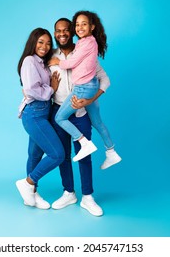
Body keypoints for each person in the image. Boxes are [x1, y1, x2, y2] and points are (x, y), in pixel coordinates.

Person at [49, 18, 112, 216]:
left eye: (66, 30)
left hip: (81, 114)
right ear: (55, 33)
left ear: (72, 32)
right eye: (58, 31)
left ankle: (88, 197)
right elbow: (37, 83)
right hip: (59, 110)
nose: (62, 34)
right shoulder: (50, 57)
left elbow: (104, 79)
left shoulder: (84, 51)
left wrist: (89, 100)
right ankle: (69, 193)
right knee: (64, 156)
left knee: (85, 155)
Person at [49, 11, 121, 165]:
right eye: (77, 24)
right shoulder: (86, 44)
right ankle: (111, 151)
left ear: (92, 27)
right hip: (90, 86)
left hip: (83, 88)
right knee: (97, 122)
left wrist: (57, 62)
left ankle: (84, 142)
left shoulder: (87, 43)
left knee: (60, 118)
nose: (80, 27)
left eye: (84, 24)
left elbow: (71, 63)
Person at [16, 28, 65, 210]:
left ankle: (31, 195)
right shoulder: (29, 61)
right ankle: (28, 182)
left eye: (47, 43)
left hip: (43, 112)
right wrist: (51, 89)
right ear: (33, 43)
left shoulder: (42, 61)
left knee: (35, 155)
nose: (44, 47)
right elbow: (31, 90)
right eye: (40, 42)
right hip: (34, 114)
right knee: (57, 154)